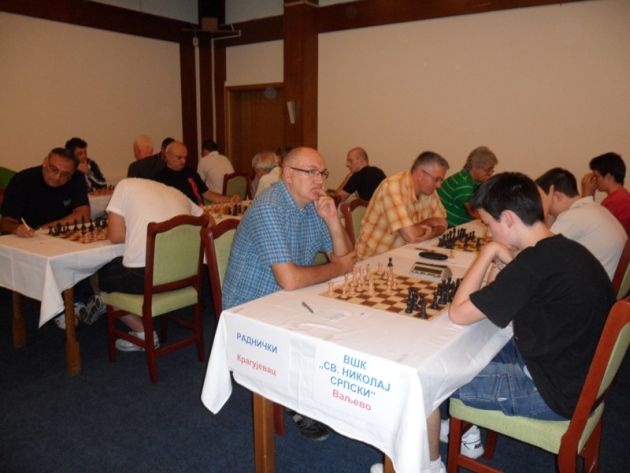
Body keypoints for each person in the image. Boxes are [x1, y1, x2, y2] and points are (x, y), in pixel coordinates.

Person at [411, 172, 615, 473]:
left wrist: (488, 252)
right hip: (575, 375)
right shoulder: (565, 250)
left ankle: (429, 467)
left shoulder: (532, 264)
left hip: (551, 391)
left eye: (488, 224)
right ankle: (463, 432)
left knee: (425, 380)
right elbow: (511, 289)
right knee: (474, 349)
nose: (488, 232)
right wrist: (506, 263)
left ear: (507, 219)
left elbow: (459, 313)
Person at [222, 146, 356, 441]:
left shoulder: (313, 205)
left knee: (347, 318)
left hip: (288, 298)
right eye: (311, 172)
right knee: (327, 323)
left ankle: (317, 391)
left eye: (322, 173)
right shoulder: (270, 207)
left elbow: (346, 257)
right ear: (287, 176)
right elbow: (291, 279)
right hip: (251, 309)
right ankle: (299, 400)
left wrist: (333, 220)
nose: (320, 180)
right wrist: (338, 267)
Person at [98, 178, 204, 351]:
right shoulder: (177, 192)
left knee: (99, 275)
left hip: (146, 278)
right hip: (186, 275)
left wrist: (135, 230)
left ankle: (143, 333)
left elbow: (115, 236)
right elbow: (208, 221)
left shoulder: (125, 185)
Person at [0, 148, 101, 328]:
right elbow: (6, 223)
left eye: (65, 174)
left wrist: (44, 228)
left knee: (81, 255)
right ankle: (73, 307)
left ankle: (79, 304)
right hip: (28, 241)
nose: (57, 177)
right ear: (45, 162)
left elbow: (83, 215)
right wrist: (17, 228)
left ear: (72, 174)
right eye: (53, 169)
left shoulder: (76, 178)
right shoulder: (23, 180)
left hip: (60, 237)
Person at [536, 167, 626, 279]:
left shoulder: (571, 217)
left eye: (543, 200)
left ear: (556, 196)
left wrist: (544, 212)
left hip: (601, 286)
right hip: (610, 283)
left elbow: (539, 255)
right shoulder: (594, 208)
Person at [356, 151, 448, 259]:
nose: (439, 185)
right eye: (436, 179)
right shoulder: (392, 187)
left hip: (406, 254)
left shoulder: (428, 191)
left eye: (440, 180)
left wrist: (430, 233)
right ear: (420, 174)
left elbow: (443, 223)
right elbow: (411, 236)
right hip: (375, 259)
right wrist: (431, 222)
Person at [155, 141, 239, 205]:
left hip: (198, 213)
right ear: (167, 156)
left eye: (185, 157)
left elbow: (207, 194)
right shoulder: (159, 178)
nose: (183, 161)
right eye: (179, 157)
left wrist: (229, 198)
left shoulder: (191, 172)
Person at [437, 146, 497, 227]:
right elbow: (474, 213)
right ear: (474, 167)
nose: (490, 174)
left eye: (492, 170)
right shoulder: (463, 183)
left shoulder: (475, 181)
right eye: (488, 170)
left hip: (462, 224)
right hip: (448, 227)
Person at [582, 152, 630, 234]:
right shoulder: (622, 196)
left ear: (608, 177)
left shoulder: (616, 201)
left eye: (596, 176)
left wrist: (587, 194)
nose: (595, 180)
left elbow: (588, 226)